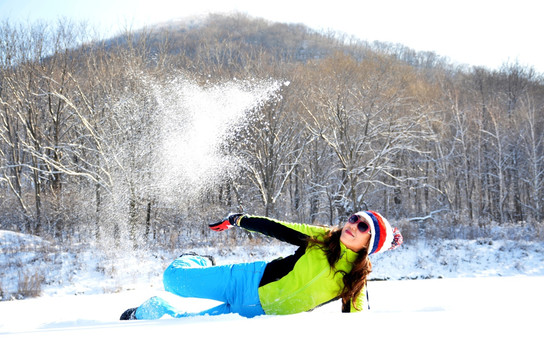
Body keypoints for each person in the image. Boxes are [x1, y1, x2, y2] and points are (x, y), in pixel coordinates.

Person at [120, 211, 403, 320]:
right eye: (354, 218)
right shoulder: (320, 238)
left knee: (177, 326)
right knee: (174, 281)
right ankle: (197, 259)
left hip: (254, 318)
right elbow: (277, 227)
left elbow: (356, 328)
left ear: (371, 243)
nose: (352, 224)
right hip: (246, 281)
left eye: (362, 225)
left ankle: (142, 313)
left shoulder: (355, 283)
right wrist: (237, 219)